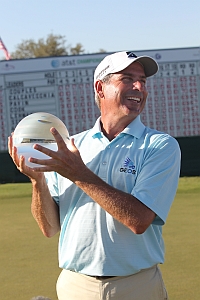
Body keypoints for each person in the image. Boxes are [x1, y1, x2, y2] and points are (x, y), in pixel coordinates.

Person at [8, 51, 181, 300]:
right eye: (128, 78)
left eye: (143, 80)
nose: (139, 86)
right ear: (101, 88)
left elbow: (139, 220)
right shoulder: (70, 146)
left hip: (137, 286)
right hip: (75, 286)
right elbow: (49, 228)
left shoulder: (160, 145)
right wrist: (38, 182)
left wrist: (78, 173)